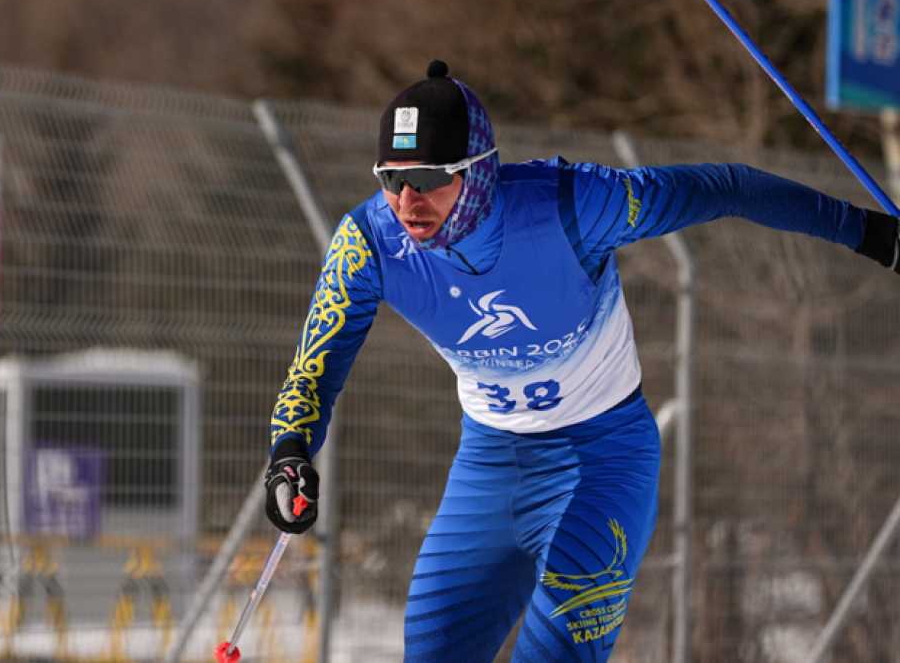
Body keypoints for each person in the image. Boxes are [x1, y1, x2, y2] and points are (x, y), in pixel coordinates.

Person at [261, 59, 900, 661]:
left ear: (478, 170)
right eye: (392, 179)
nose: (407, 201)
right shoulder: (368, 244)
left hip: (604, 457)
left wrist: (873, 235)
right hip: (492, 464)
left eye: (429, 178)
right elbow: (316, 362)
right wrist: (289, 452)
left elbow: (725, 187)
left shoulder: (572, 206)